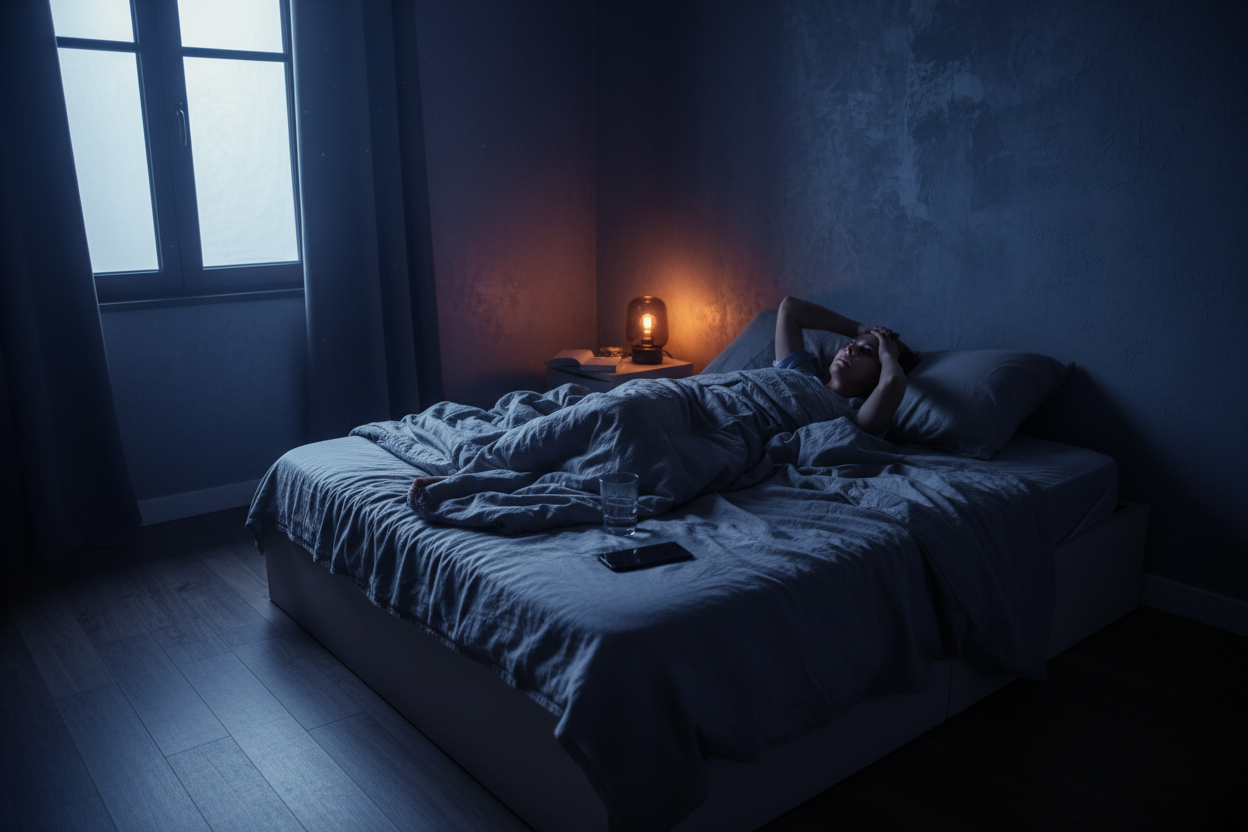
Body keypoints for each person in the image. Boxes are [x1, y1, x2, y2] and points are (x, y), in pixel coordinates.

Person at [773, 295, 914, 436]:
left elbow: (893, 381)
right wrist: (858, 329)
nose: (851, 347)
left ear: (878, 377)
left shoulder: (853, 418)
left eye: (866, 351)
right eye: (850, 343)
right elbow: (789, 308)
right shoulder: (799, 372)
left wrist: (888, 355)